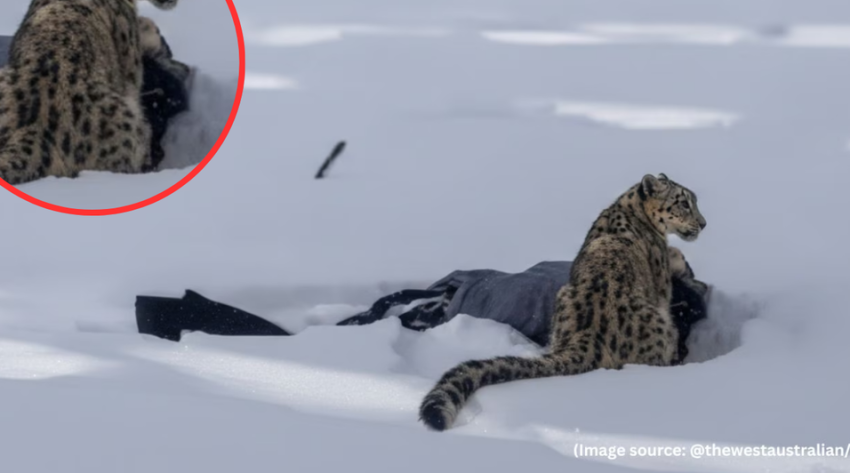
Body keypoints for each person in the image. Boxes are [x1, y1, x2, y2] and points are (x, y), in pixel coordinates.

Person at [136, 249, 711, 363]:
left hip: (460, 290)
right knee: (315, 349)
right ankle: (172, 320)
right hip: (448, 306)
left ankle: (171, 317)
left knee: (321, 340)